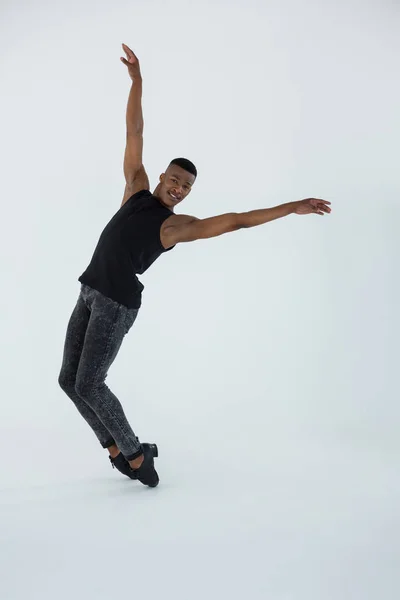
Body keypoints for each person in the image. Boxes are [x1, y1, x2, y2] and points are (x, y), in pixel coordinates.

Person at [58, 43, 332, 489]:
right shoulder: (135, 188)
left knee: (90, 382)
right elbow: (134, 133)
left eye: (187, 187)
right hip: (90, 290)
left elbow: (237, 221)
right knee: (69, 381)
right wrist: (138, 81)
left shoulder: (176, 227)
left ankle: (136, 456)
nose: (179, 189)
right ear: (163, 176)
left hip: (116, 305)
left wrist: (291, 207)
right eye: (175, 180)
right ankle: (115, 449)